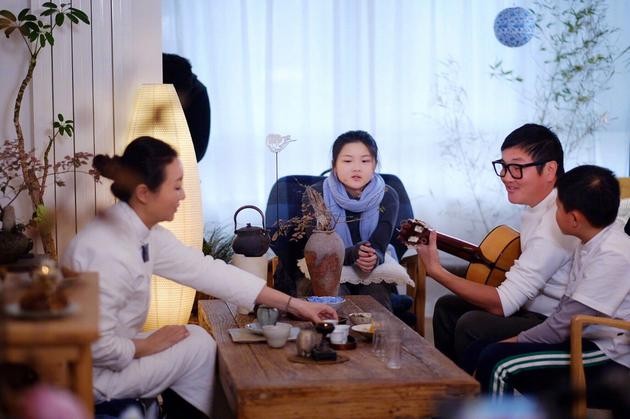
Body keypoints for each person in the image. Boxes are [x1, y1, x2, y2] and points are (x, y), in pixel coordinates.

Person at [60, 136, 337, 418]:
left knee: (195, 337)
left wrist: (295, 304)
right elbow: (96, 346)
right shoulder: (108, 250)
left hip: (111, 357)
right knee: (198, 350)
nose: (183, 196)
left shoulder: (142, 232)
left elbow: (207, 271)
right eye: (176, 186)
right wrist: (147, 345)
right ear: (144, 193)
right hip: (92, 376)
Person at [473, 165, 630, 415]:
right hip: (584, 338)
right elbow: (565, 315)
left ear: (574, 219)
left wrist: (511, 342)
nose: (554, 213)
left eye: (557, 207)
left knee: (498, 362)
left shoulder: (613, 254)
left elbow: (561, 327)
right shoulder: (592, 239)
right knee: (483, 350)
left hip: (610, 352)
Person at [417, 123, 579, 365]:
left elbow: (503, 304)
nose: (505, 176)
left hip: (553, 321)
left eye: (516, 168)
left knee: (472, 324)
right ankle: (453, 383)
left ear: (549, 170)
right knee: (447, 308)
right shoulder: (538, 207)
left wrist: (437, 271)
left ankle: (477, 388)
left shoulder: (557, 220)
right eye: (503, 166)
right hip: (529, 308)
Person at [275, 130, 402, 311]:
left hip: (370, 272)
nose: (356, 168)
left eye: (365, 161)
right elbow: (320, 249)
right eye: (348, 161)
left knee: (376, 298)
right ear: (334, 165)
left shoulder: (387, 195)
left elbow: (379, 246)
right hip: (324, 267)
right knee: (333, 298)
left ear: (375, 164)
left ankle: (379, 331)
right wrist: (354, 254)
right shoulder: (316, 194)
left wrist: (372, 257)